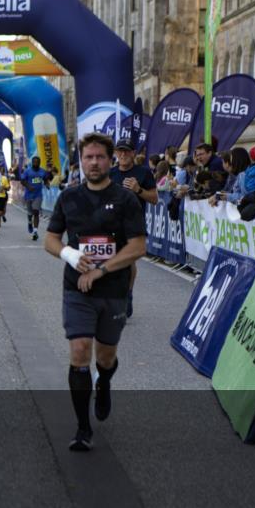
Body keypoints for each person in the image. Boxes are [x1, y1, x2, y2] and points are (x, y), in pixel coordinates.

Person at [44, 132, 147, 452]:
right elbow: (50, 240)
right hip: (76, 288)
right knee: (79, 352)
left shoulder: (126, 198)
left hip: (113, 289)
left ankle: (103, 382)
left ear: (110, 159)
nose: (94, 162)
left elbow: (138, 246)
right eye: (88, 157)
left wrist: (101, 270)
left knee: (105, 356)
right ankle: (83, 428)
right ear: (81, 160)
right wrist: (71, 256)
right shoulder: (69, 197)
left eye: (100, 157)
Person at [109, 140, 157, 318]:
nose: (123, 155)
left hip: (134, 224)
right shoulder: (110, 173)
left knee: (128, 262)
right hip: (112, 224)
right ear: (115, 153)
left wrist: (138, 190)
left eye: (127, 152)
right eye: (120, 151)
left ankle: (127, 294)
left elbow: (154, 198)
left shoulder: (143, 172)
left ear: (133, 153)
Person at [20, 156, 49, 240]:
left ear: (39, 163)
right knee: (30, 213)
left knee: (36, 211)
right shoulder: (27, 171)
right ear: (32, 162)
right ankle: (29, 222)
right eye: (34, 162)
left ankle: (35, 231)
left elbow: (45, 179)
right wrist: (28, 186)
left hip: (38, 195)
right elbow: (22, 180)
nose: (35, 163)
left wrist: (47, 184)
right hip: (28, 195)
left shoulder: (42, 171)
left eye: (37, 162)